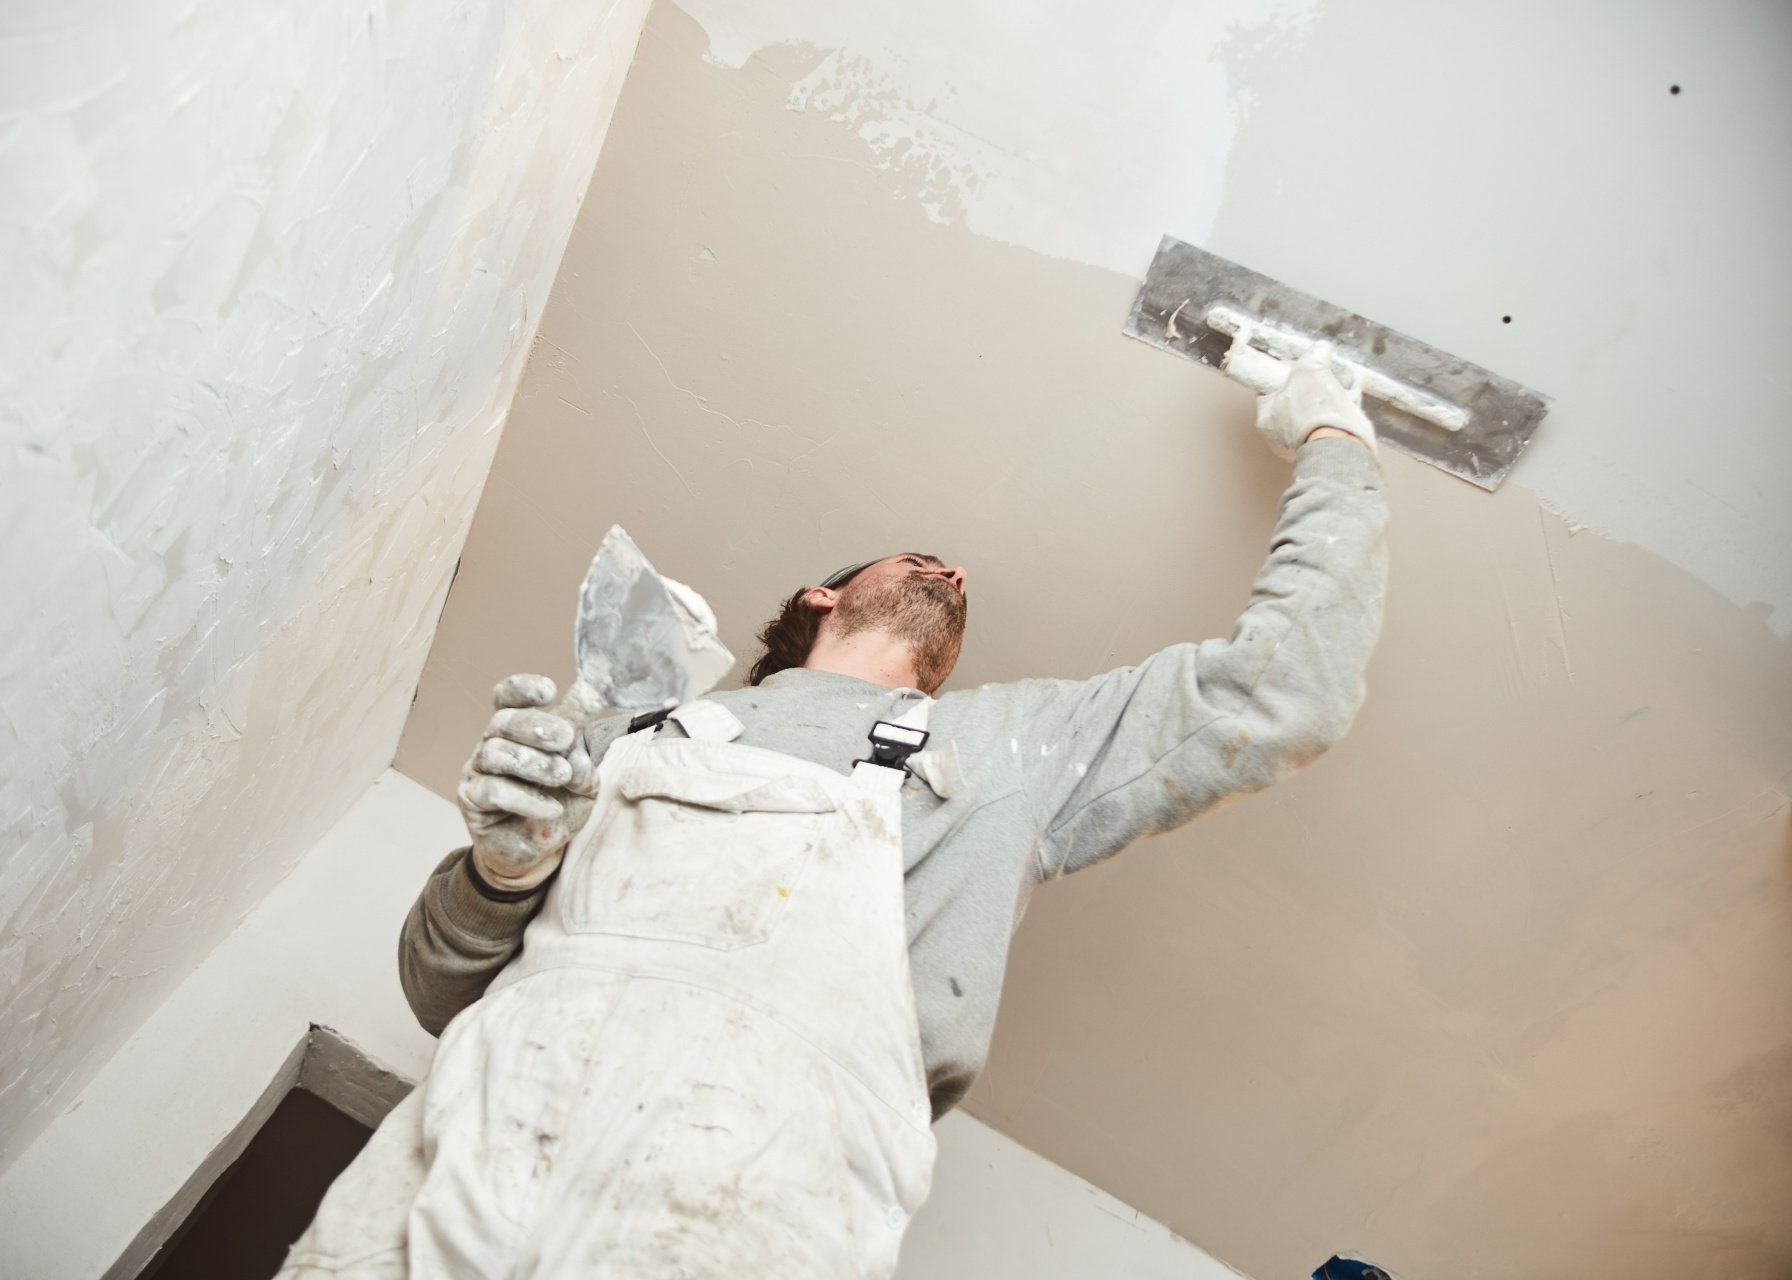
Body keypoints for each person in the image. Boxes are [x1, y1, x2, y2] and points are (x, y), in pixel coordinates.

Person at [278, 351, 1390, 1278]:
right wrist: (501, 871)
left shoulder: (1015, 748)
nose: (955, 567)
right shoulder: (636, 728)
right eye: (922, 557)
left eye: (962, 576)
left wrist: (1335, 439)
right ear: (822, 594)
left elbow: (1284, 690)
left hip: (754, 1199)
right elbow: (439, 993)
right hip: (475, 1140)